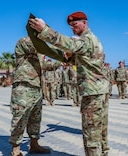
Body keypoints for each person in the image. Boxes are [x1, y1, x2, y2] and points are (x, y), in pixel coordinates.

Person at [29, 11, 110, 156]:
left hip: (92, 93)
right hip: (99, 91)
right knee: (101, 133)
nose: (72, 28)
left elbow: (66, 42)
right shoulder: (92, 40)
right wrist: (69, 57)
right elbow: (83, 62)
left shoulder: (86, 40)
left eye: (75, 24)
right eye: (70, 26)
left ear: (85, 23)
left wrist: (44, 30)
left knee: (91, 134)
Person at [9, 36, 51, 156]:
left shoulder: (40, 51)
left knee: (35, 118)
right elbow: (38, 46)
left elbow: (46, 66)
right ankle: (15, 148)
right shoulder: (25, 41)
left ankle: (34, 144)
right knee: (20, 118)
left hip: (36, 87)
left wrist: (63, 59)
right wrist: (61, 46)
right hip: (24, 87)